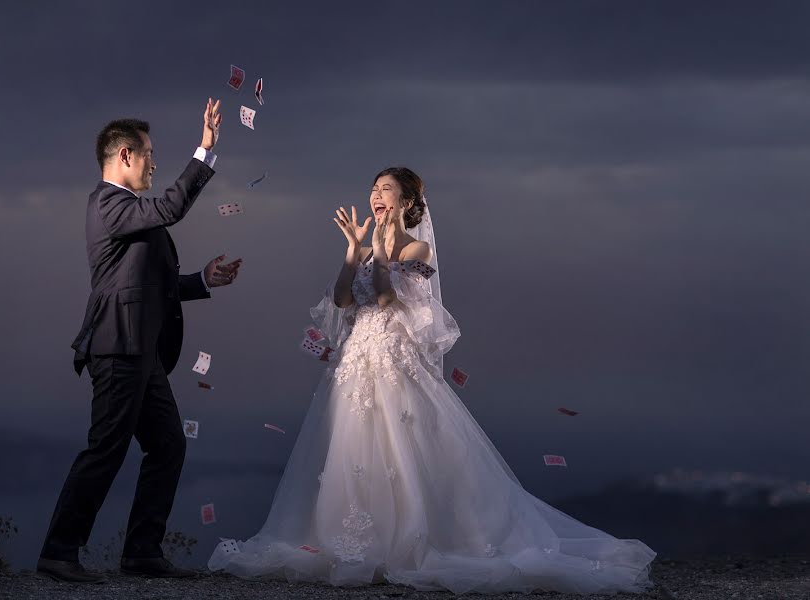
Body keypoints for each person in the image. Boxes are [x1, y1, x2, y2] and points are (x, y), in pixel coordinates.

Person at [208, 167, 654, 594]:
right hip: (356, 362)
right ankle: (359, 542)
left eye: (385, 190)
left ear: (406, 201)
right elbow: (343, 299)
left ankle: (415, 540)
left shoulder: (417, 253)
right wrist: (352, 249)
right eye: (373, 189)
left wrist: (381, 253)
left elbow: (386, 299)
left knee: (405, 448)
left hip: (394, 363)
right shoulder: (365, 249)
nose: (376, 196)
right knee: (353, 448)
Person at [38, 99, 242, 583]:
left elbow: (148, 285)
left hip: (141, 353)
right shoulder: (108, 203)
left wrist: (203, 280)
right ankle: (59, 551)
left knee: (168, 444)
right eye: (149, 153)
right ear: (126, 155)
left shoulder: (128, 213)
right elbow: (171, 207)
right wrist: (205, 151)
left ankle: (141, 553)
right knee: (105, 449)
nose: (154, 162)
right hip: (117, 348)